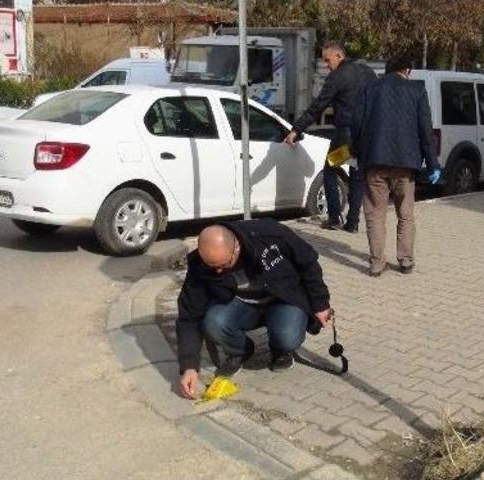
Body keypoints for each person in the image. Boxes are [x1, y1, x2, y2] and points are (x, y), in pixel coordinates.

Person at [177, 219, 333, 400]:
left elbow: (308, 262)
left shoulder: (269, 234)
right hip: (242, 305)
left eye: (223, 265)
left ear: (236, 247)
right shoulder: (200, 264)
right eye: (212, 267)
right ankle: (239, 351)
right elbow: (189, 315)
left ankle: (280, 350)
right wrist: (189, 366)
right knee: (213, 321)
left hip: (283, 299)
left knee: (287, 336)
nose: (218, 271)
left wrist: (320, 304)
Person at [352, 56, 441, 277]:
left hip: (375, 161)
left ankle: (376, 263)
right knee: (405, 213)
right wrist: (433, 164)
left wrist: (359, 155)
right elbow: (425, 129)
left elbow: (356, 125)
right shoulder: (417, 90)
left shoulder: (369, 89)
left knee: (375, 214)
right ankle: (406, 261)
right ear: (407, 70)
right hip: (406, 164)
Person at [283, 41, 377, 233]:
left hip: (346, 137)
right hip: (366, 135)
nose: (327, 65)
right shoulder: (368, 72)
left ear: (339, 56)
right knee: (357, 174)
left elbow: (318, 106)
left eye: (328, 60)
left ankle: (334, 217)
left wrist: (297, 129)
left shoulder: (338, 77)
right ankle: (353, 222)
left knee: (330, 170)